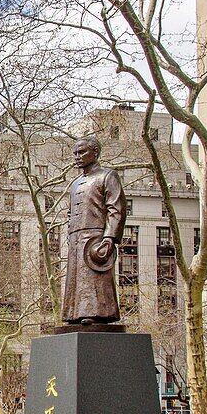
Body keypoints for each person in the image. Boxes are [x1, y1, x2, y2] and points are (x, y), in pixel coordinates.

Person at [61, 136, 126, 325]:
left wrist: (109, 238)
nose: (77, 157)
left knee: (95, 279)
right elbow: (69, 213)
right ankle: (74, 314)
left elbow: (116, 210)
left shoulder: (108, 176)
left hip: (96, 238)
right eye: (75, 153)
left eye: (82, 152)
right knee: (75, 281)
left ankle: (99, 313)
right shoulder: (74, 184)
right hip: (76, 240)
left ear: (95, 153)